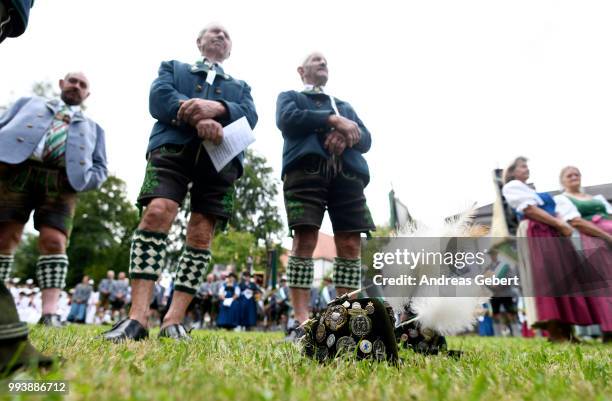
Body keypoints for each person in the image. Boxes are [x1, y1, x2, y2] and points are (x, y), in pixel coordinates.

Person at [102, 23, 257, 342]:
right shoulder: (173, 67)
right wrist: (196, 117)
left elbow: (250, 116)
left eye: (226, 35)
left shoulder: (240, 87)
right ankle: (137, 317)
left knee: (202, 231)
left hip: (222, 158)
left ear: (230, 50)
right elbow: (159, 97)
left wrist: (219, 108)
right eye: (214, 32)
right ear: (199, 42)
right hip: (172, 147)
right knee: (157, 211)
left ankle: (174, 319)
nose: (220, 36)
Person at [275, 52, 374, 331]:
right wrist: (332, 121)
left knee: (351, 245)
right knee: (305, 240)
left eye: (325, 61)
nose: (323, 63)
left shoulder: (345, 105)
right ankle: (300, 320)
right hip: (305, 171)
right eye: (316, 60)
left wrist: (344, 133)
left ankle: (342, 320)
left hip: (348, 175)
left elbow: (365, 139)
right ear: (301, 70)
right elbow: (288, 119)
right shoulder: (290, 97)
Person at [0, 72, 107, 327]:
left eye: (83, 85)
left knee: (55, 240)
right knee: (4, 236)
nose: (76, 87)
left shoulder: (94, 127)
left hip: (62, 182)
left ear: (87, 94)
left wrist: (82, 179)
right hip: (17, 170)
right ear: (61, 84)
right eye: (73, 81)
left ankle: (49, 313)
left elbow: (101, 167)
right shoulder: (28, 103)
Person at [502, 157, 598, 342]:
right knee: (547, 277)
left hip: (550, 231)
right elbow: (529, 209)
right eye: (523, 166)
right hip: (537, 231)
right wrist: (558, 223)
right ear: (513, 171)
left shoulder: (530, 189)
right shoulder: (513, 186)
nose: (526, 169)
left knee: (562, 276)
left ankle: (567, 329)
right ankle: (555, 330)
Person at [554, 166, 612, 340]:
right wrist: (606, 236)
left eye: (576, 174)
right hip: (592, 241)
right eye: (569, 175)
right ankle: (609, 329)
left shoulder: (597, 198)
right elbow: (576, 222)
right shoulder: (562, 199)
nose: (574, 177)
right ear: (562, 180)